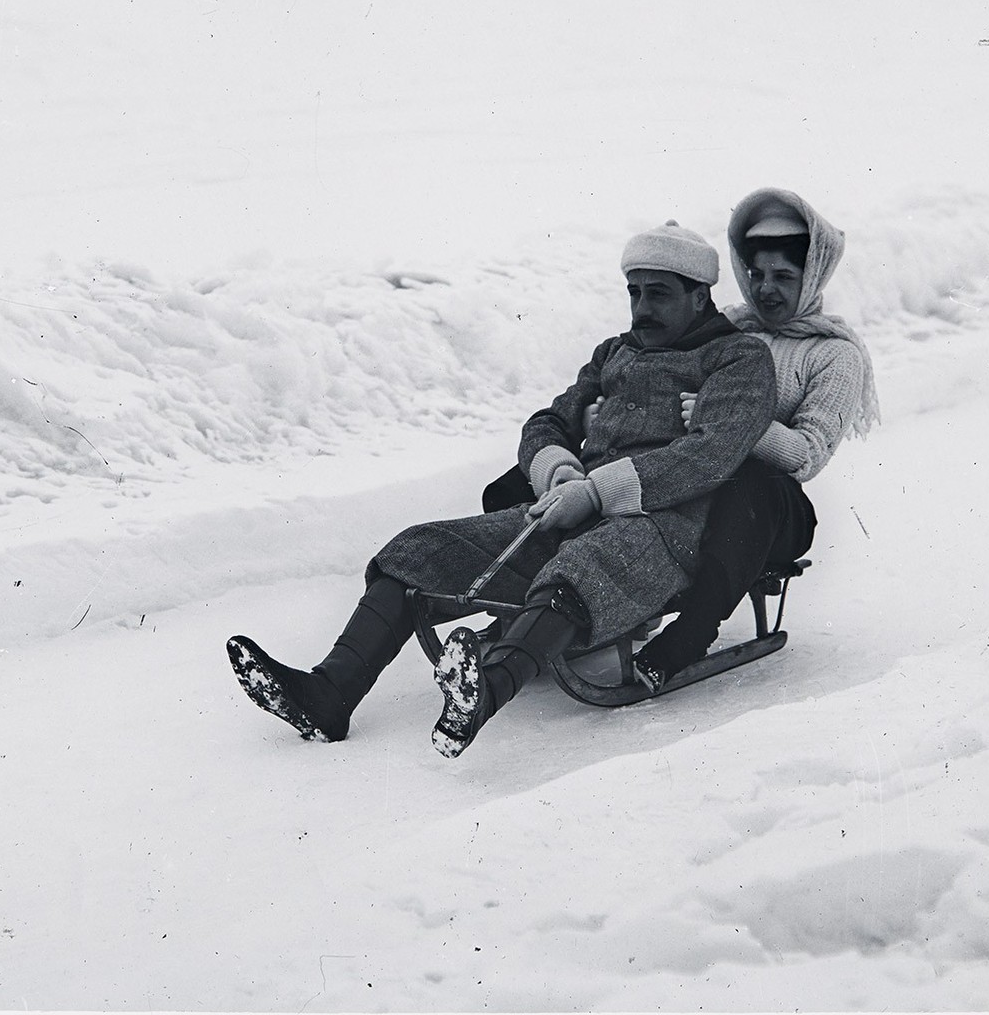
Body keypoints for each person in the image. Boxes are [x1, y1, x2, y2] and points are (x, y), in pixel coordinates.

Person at [227, 221, 778, 757]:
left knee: (586, 565)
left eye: (658, 294)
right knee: (419, 548)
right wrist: (558, 469)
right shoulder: (615, 352)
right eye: (633, 292)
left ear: (701, 297)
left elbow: (712, 452)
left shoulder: (738, 358)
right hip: (571, 506)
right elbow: (548, 420)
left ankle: (486, 690)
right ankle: (330, 691)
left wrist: (597, 492)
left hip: (666, 529)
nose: (641, 308)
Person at [622, 188, 880, 690]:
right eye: (756, 275)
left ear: (813, 276)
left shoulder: (833, 356)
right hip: (692, 476)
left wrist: (738, 421)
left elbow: (806, 456)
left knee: (751, 486)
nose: (765, 290)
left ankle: (690, 635)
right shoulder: (727, 330)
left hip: (772, 507)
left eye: (784, 277)